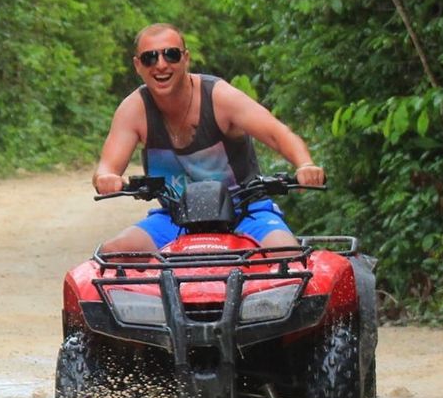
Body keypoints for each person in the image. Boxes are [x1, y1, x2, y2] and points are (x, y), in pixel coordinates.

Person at [93, 23, 325, 253]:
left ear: (186, 58)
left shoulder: (219, 97)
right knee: (114, 253)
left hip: (244, 212)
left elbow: (277, 134)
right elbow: (107, 167)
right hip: (176, 217)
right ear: (137, 65)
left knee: (287, 255)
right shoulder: (134, 109)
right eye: (150, 58)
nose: (161, 65)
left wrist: (305, 164)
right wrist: (106, 178)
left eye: (171, 55)